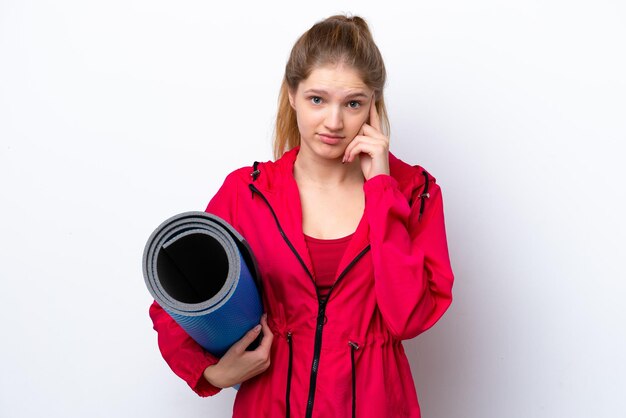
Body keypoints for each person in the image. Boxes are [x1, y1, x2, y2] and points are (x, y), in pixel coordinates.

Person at [149, 14, 454, 418]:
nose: (333, 121)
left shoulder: (415, 192)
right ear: (291, 94)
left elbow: (408, 318)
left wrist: (382, 189)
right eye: (317, 99)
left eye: (353, 103)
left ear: (373, 108)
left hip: (377, 405)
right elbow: (175, 301)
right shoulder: (247, 192)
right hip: (269, 405)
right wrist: (213, 373)